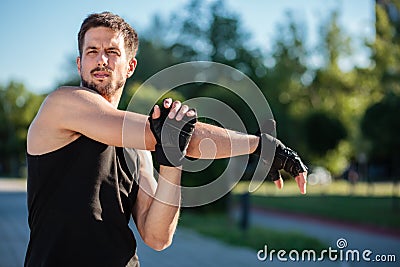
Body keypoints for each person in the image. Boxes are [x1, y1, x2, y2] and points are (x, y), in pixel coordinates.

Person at [25, 12, 307, 267]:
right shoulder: (61, 104)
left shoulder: (138, 147)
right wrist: (260, 145)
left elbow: (157, 236)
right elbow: (184, 137)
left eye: (112, 52)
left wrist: (172, 159)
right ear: (79, 63)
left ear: (130, 66)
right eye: (92, 52)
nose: (101, 60)